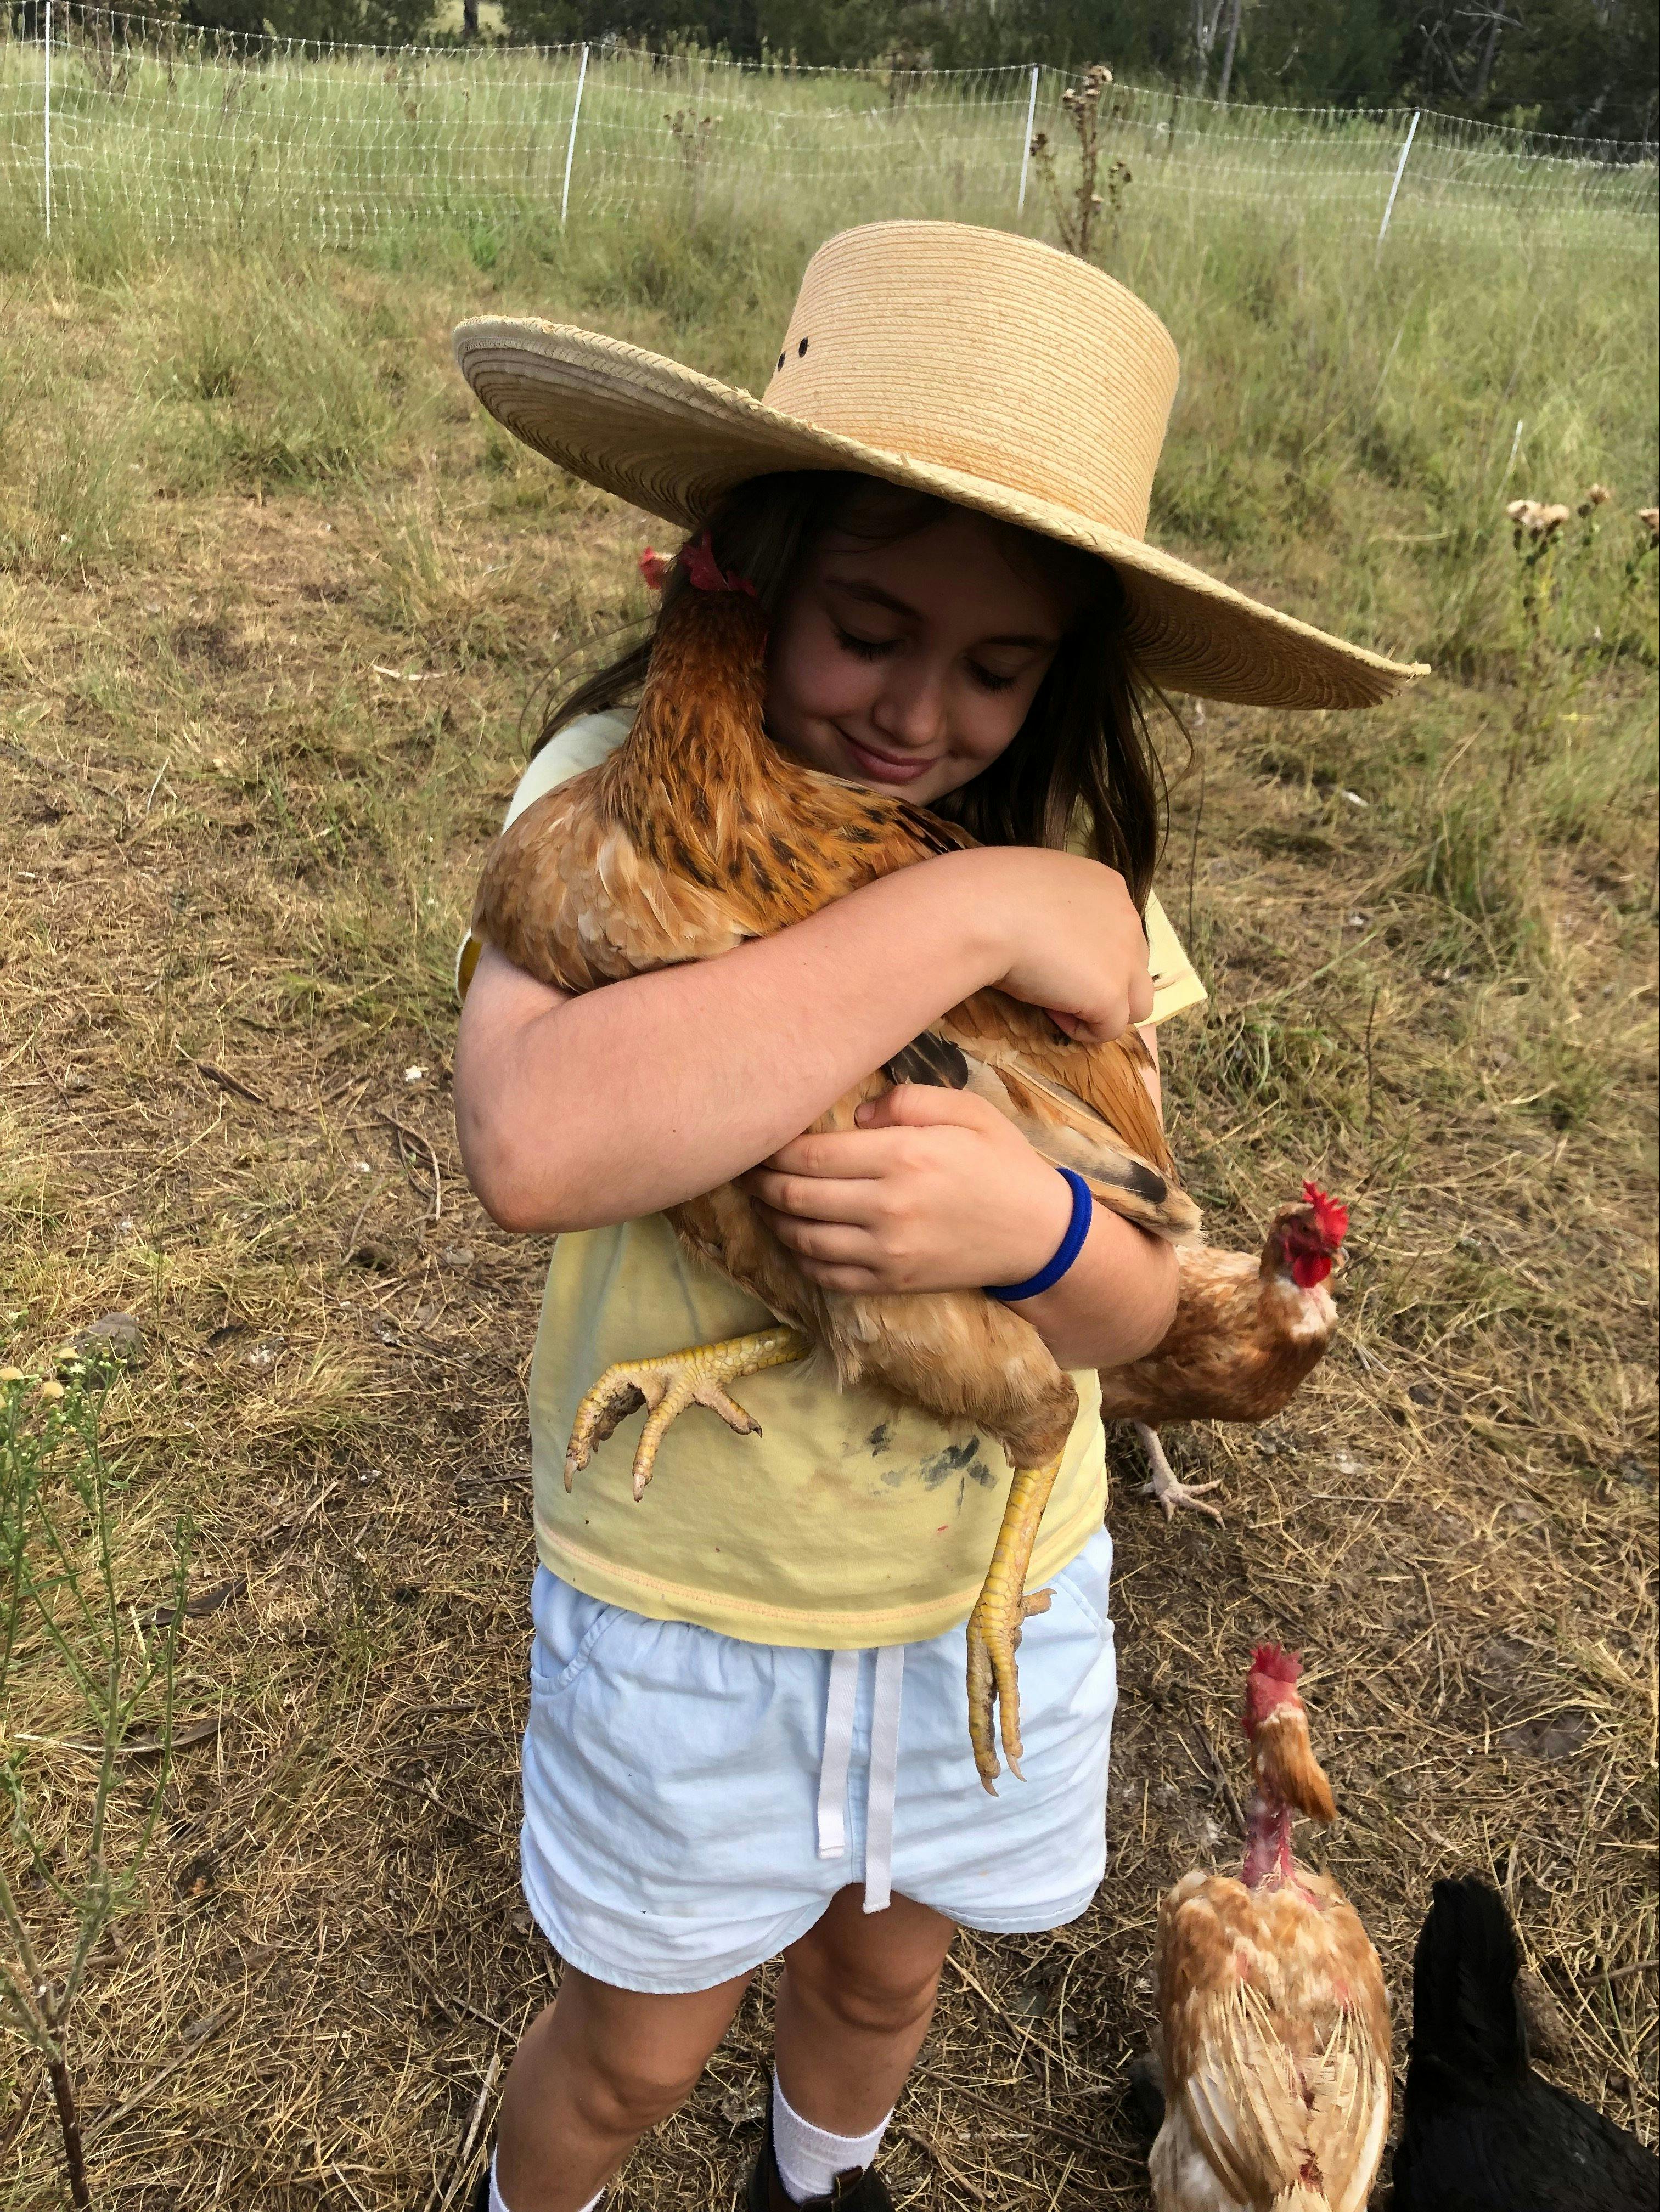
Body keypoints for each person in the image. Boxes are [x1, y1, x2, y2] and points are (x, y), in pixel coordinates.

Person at [448, 221, 1421, 2212]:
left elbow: (1141, 1307)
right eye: (868, 629)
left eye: (995, 667)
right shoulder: (619, 799)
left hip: (992, 1587)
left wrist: (1033, 1232)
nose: (916, 713)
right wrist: (963, 913)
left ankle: (818, 2188)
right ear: (751, 581)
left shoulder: (1087, 886)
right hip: (697, 1603)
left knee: (885, 1979)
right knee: (631, 2049)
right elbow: (537, 1147)